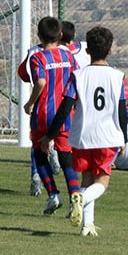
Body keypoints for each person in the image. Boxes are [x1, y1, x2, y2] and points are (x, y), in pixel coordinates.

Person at [39, 26, 128, 237]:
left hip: (81, 137)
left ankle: (87, 225)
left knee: (87, 178)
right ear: (110, 50)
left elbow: (64, 108)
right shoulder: (118, 77)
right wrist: (123, 137)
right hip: (107, 136)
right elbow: (122, 110)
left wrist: (50, 135)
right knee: (102, 182)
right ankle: (81, 198)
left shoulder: (78, 75)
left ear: (88, 51)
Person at [23, 16, 81, 215]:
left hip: (42, 115)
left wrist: (29, 103)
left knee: (39, 155)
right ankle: (75, 197)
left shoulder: (37, 57)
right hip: (64, 116)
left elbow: (39, 82)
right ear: (61, 35)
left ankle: (53, 195)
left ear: (39, 36)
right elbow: (78, 79)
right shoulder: (69, 57)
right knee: (66, 158)